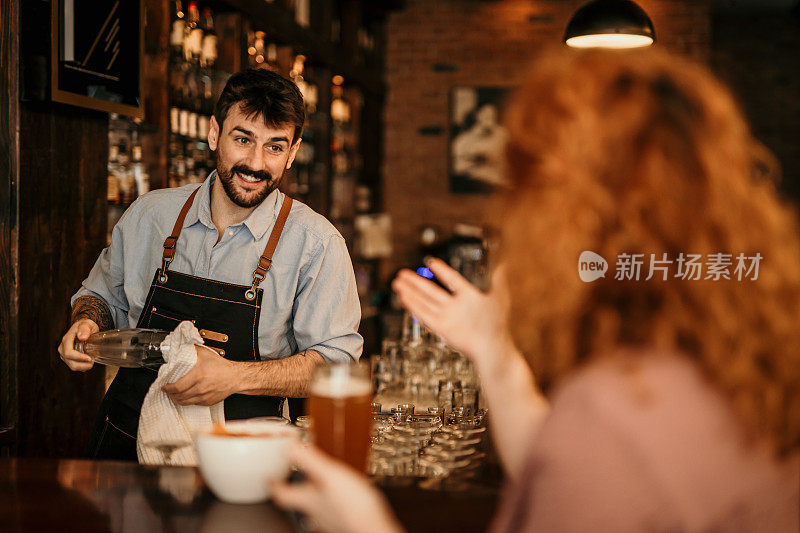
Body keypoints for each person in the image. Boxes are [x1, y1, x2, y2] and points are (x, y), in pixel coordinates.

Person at [272, 47, 800, 532]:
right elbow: (584, 485)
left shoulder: (610, 408)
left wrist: (366, 526)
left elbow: (603, 462)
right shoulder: (747, 361)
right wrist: (494, 351)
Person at [57, 69, 363, 461]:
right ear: (214, 133)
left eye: (275, 147)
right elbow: (100, 296)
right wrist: (87, 323)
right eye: (243, 140)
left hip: (242, 460)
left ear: (293, 151)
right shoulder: (151, 215)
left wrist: (235, 376)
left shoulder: (316, 245)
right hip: (127, 446)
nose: (255, 163)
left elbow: (334, 367)